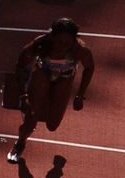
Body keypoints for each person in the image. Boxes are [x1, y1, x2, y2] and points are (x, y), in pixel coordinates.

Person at [7, 18, 95, 164]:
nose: (62, 46)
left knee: (52, 125)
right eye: (59, 42)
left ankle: (46, 103)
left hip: (65, 78)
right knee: (31, 118)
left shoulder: (80, 50)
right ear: (52, 36)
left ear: (74, 40)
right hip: (43, 74)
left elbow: (90, 67)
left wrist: (80, 95)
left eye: (67, 43)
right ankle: (20, 143)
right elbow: (21, 65)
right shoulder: (40, 44)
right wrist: (23, 95)